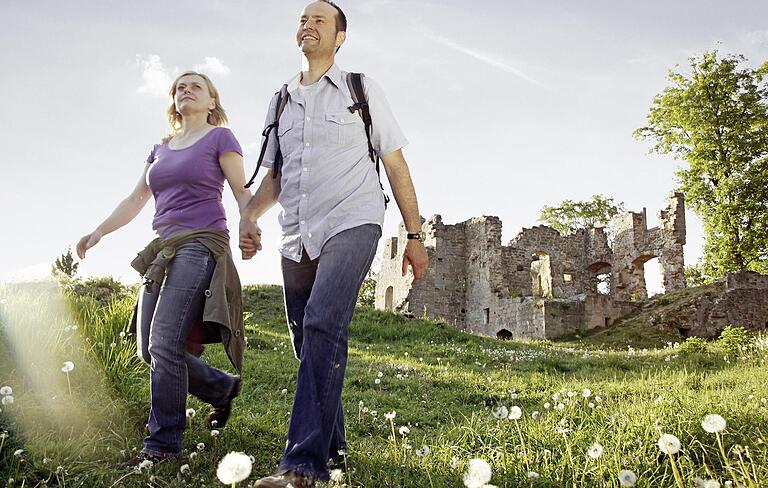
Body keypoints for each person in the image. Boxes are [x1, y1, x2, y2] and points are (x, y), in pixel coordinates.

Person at [239, 1, 429, 486]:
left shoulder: (359, 89)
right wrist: (249, 216)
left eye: (320, 19)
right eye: (303, 18)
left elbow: (395, 162)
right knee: (306, 336)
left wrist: (414, 234)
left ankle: (304, 466)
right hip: (298, 231)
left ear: (339, 37)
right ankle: (334, 443)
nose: (308, 24)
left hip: (355, 218)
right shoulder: (280, 100)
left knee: (323, 323)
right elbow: (276, 178)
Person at [76, 71, 251, 467]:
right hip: (163, 248)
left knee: (164, 343)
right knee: (148, 349)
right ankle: (221, 387)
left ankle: (162, 446)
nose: (185, 90)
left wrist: (250, 220)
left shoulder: (221, 138)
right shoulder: (161, 148)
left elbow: (241, 189)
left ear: (211, 102)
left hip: (201, 243)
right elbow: (137, 197)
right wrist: (98, 231)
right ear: (173, 101)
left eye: (196, 86)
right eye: (179, 87)